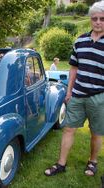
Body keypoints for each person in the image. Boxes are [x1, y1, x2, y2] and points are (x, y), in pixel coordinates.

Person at [44, 1, 104, 177]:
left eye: (102, 18)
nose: (98, 22)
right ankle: (61, 164)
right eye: (95, 18)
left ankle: (92, 162)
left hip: (99, 96)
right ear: (90, 20)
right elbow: (73, 68)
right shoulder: (80, 41)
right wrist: (69, 91)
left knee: (96, 132)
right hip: (78, 94)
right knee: (69, 129)